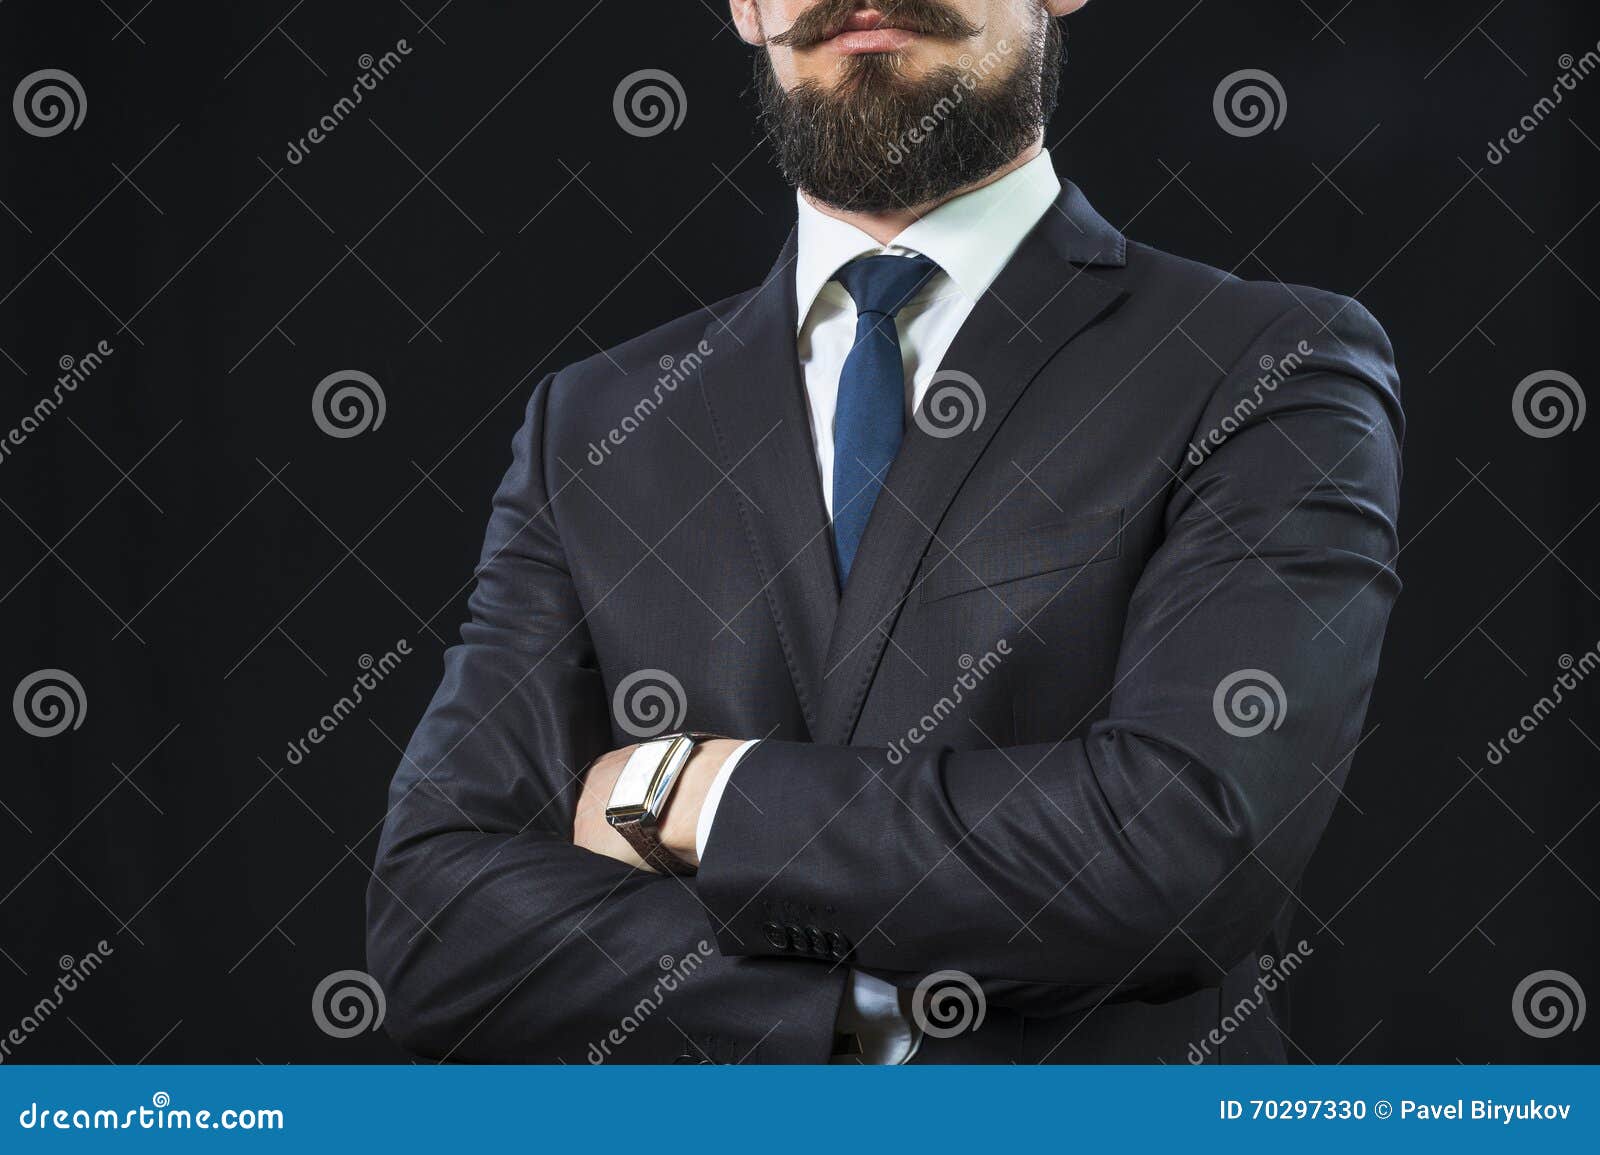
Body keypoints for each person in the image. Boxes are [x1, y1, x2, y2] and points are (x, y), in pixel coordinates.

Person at [366, 0, 1403, 1064]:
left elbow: (1183, 850)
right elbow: (438, 927)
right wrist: (840, 1014)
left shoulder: (1269, 365)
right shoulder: (592, 423)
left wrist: (692, 793)